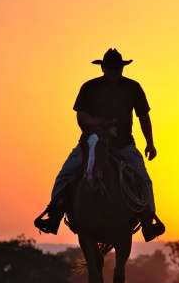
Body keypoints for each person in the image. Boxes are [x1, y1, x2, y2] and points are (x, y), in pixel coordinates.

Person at [34, 48, 165, 241]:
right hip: (91, 143)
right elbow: (81, 117)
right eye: (111, 68)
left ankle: (148, 222)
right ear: (103, 68)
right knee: (65, 175)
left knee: (143, 178)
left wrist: (150, 143)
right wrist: (101, 124)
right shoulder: (89, 87)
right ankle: (53, 216)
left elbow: (143, 116)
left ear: (122, 69)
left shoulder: (133, 87)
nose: (114, 72)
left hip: (123, 144)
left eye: (117, 68)